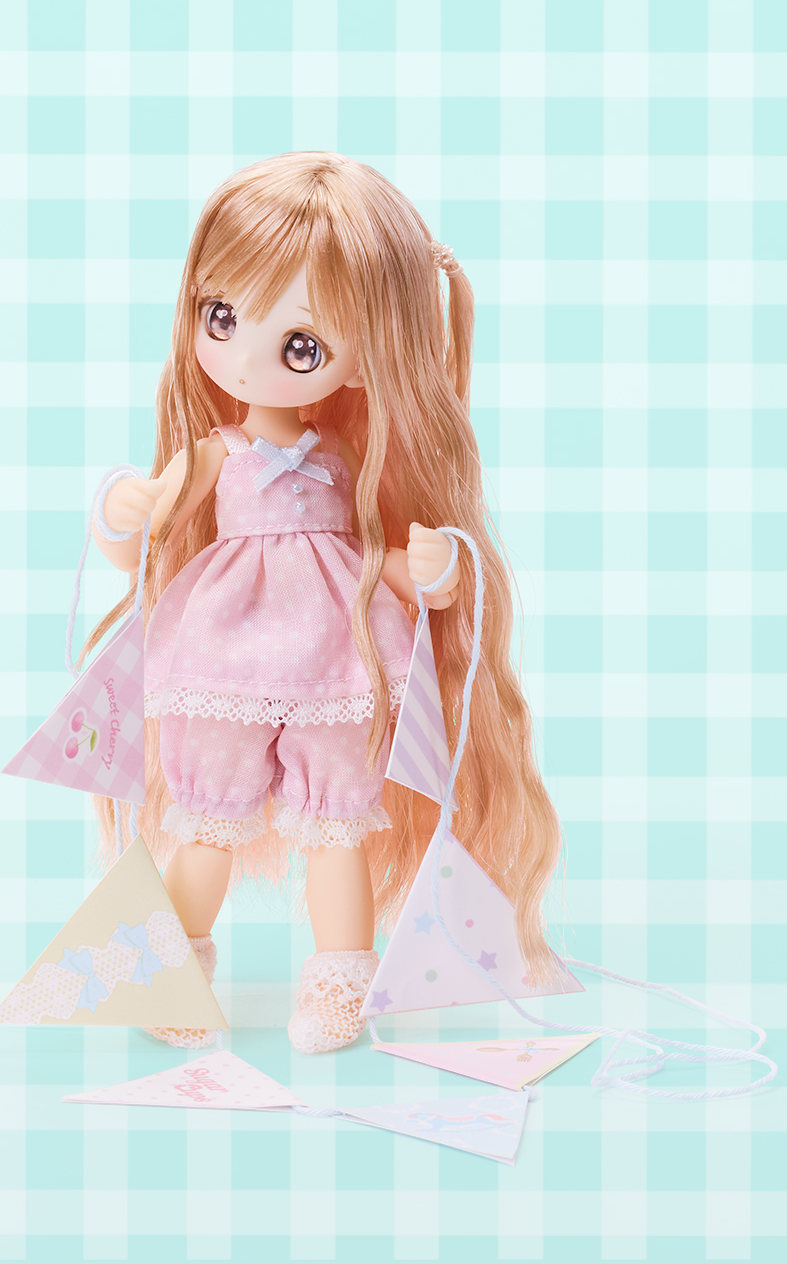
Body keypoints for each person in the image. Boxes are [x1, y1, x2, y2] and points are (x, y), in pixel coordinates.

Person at [88, 152, 561, 1054]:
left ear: (364, 355)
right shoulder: (216, 453)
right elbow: (141, 542)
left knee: (338, 828)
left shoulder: (343, 458)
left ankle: (340, 982)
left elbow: (372, 551)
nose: (245, 356)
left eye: (300, 345)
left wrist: (430, 575)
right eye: (221, 316)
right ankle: (172, 972)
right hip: (224, 654)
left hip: (340, 656)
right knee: (208, 820)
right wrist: (121, 519)